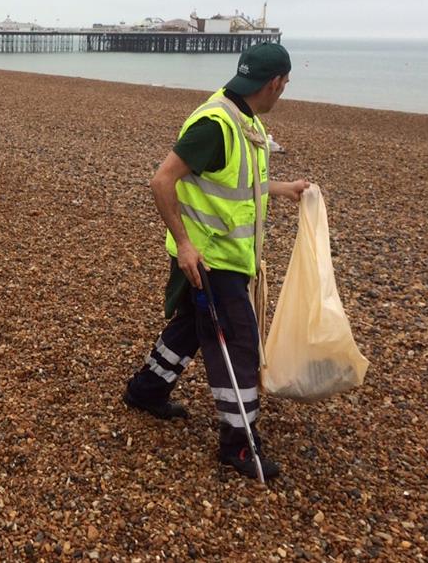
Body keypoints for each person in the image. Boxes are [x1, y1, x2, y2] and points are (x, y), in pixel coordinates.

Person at [124, 42, 309, 480]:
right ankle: (239, 445)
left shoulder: (245, 119)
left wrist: (281, 189)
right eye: (283, 84)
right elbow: (161, 181)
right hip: (209, 261)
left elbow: (237, 183)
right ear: (276, 83)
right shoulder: (215, 124)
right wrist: (185, 245)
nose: (282, 90)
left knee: (190, 328)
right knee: (238, 350)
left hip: (218, 257)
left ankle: (146, 391)